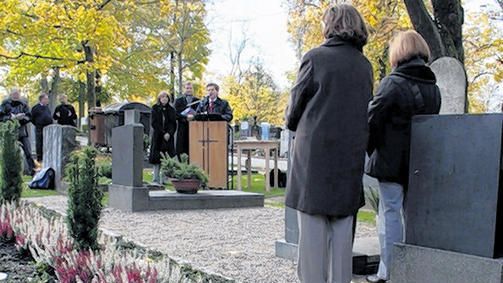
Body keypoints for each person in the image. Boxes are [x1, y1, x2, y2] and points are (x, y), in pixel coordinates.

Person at [285, 4, 373, 283]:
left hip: (315, 157)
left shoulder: (315, 57)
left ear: (331, 25)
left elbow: (294, 107)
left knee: (312, 236)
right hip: (349, 155)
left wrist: (292, 121)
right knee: (342, 234)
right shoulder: (364, 65)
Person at [365, 30, 441, 283]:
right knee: (412, 218)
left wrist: (368, 150)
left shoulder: (392, 83)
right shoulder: (434, 88)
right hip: (419, 162)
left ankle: (389, 271)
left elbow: (372, 121)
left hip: (390, 162)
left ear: (398, 52)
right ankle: (412, 270)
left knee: (389, 216)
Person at [0, 88, 36, 176]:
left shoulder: (23, 104)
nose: (16, 95)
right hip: (9, 133)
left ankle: (33, 172)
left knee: (28, 153)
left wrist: (22, 118)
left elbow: (29, 117)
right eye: (14, 94)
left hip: (22, 132)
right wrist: (10, 117)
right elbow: (1, 117)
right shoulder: (5, 104)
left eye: (17, 94)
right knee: (9, 154)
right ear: (11, 94)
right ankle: (9, 173)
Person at [149, 91, 177, 184]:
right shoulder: (155, 108)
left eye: (166, 97)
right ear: (159, 99)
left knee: (166, 158)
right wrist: (163, 133)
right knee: (157, 159)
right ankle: (155, 179)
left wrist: (169, 133)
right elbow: (154, 123)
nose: (164, 99)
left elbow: (173, 123)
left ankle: (165, 179)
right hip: (158, 137)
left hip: (168, 138)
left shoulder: (171, 110)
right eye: (162, 97)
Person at [174, 82, 200, 156]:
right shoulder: (178, 101)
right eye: (187, 88)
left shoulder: (198, 101)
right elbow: (175, 114)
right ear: (184, 89)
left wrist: (194, 117)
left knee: (193, 149)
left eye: (190, 88)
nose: (189, 90)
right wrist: (186, 117)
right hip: (182, 128)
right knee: (181, 150)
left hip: (195, 128)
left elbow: (200, 113)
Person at [31, 93, 53, 162]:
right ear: (41, 99)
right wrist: (38, 123)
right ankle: (39, 158)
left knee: (47, 142)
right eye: (45, 99)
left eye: (47, 99)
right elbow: (32, 118)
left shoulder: (47, 107)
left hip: (48, 127)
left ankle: (47, 156)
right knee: (39, 142)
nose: (47, 100)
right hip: (39, 127)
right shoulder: (36, 108)